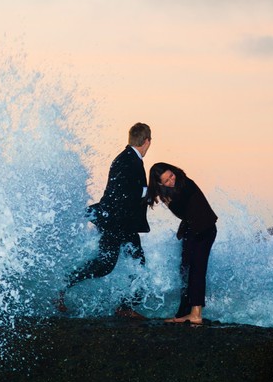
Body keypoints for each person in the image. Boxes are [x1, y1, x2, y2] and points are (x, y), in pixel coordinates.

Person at [62, 122, 152, 318]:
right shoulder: (129, 160)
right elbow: (123, 193)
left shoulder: (127, 158)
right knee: (107, 265)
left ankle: (125, 306)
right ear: (147, 141)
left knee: (136, 264)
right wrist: (148, 191)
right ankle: (63, 285)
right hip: (115, 222)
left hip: (121, 222)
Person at [147, 162, 217, 324]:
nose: (172, 180)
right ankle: (183, 312)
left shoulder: (185, 183)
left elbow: (180, 207)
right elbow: (183, 213)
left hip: (204, 230)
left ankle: (196, 314)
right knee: (184, 271)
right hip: (192, 230)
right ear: (159, 183)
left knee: (197, 270)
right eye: (166, 181)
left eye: (171, 175)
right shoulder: (168, 191)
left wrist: (165, 198)